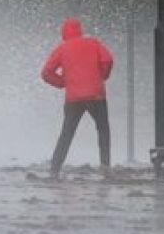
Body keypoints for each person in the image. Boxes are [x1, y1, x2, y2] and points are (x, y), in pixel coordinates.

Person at [41, 17, 114, 180]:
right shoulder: (93, 43)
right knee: (103, 129)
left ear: (63, 33)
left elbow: (46, 72)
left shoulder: (62, 48)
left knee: (67, 132)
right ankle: (105, 166)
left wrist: (62, 83)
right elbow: (107, 59)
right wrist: (101, 76)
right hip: (96, 95)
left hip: (73, 98)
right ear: (80, 30)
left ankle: (55, 169)